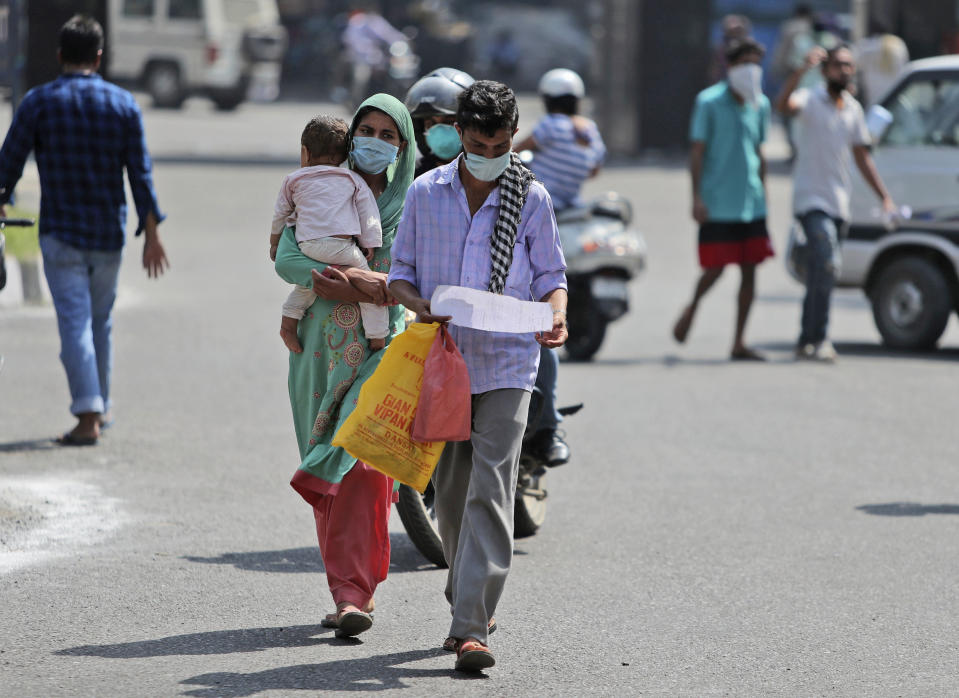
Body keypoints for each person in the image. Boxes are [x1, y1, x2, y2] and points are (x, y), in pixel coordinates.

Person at [388, 80, 568, 672]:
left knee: (493, 486)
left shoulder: (531, 197)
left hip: (511, 362)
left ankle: (469, 628)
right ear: (458, 135)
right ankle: (466, 598)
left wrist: (557, 317)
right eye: (478, 143)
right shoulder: (424, 193)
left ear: (512, 136)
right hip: (446, 361)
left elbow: (551, 275)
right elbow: (400, 275)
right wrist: (422, 305)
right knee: (454, 493)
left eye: (499, 145)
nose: (488, 155)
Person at [274, 94, 415, 638]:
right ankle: (346, 592)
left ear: (403, 147)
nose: (374, 142)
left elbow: (413, 285)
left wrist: (361, 283)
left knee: (360, 466)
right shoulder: (326, 186)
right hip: (316, 353)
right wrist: (335, 279)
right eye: (367, 130)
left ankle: (357, 593)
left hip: (383, 353)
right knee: (325, 462)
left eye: (388, 135)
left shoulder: (416, 205)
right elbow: (286, 256)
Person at [0, 15, 168, 446]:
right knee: (99, 323)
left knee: (75, 325)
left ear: (59, 56)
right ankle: (100, 405)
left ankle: (89, 413)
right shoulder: (123, 104)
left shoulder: (39, 102)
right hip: (107, 235)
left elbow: (7, 167)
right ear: (99, 56)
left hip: (60, 234)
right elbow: (140, 174)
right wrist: (151, 234)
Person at [775, 45, 896, 363]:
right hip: (811, 200)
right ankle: (821, 337)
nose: (845, 71)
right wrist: (801, 70)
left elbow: (862, 156)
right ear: (826, 69)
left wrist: (884, 196)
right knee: (828, 263)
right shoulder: (811, 99)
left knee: (822, 273)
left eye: (849, 66)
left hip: (838, 202)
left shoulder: (853, 109)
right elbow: (784, 106)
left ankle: (807, 339)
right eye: (839, 65)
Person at [513, 66, 605, 463]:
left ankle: (546, 425)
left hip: (544, 205)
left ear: (549, 100)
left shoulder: (549, 127)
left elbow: (514, 150)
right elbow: (596, 166)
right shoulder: (588, 129)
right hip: (573, 205)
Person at [672, 37, 774, 361]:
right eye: (745, 63)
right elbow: (697, 152)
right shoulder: (709, 102)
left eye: (755, 63)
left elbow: (760, 151)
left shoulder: (760, 104)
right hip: (718, 200)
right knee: (715, 267)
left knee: (750, 271)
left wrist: (764, 194)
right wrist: (696, 197)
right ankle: (693, 306)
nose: (751, 70)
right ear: (729, 67)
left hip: (751, 201)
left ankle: (739, 341)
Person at [270, 115, 387, 354]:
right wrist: (370, 242)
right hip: (341, 247)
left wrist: (274, 243)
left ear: (305, 152)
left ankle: (288, 323)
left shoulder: (293, 179)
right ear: (344, 156)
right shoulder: (351, 178)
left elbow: (280, 215)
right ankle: (377, 336)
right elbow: (368, 213)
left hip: (307, 245)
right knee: (370, 286)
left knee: (307, 285)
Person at [404, 67, 475, 177]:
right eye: (430, 124)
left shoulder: (486, 176)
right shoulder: (412, 179)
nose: (439, 130)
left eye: (450, 122)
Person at [855, 23, 908, 107]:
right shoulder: (899, 45)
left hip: (874, 100)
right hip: (894, 98)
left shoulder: (866, 46)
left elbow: (856, 64)